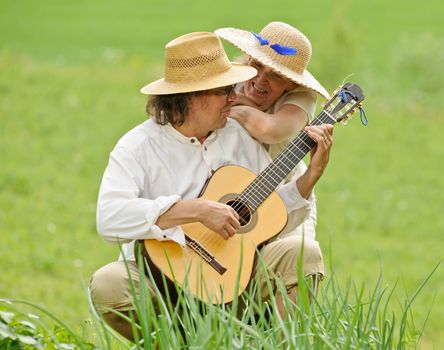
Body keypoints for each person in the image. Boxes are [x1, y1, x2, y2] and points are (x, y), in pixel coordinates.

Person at [89, 32, 334, 342]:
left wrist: (310, 176)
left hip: (235, 279)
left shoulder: (240, 134)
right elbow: (109, 218)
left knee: (303, 253)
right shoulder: (138, 146)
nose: (235, 95)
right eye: (224, 90)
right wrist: (194, 210)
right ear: (192, 96)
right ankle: (175, 344)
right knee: (107, 284)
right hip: (161, 280)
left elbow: (268, 212)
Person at [215, 21, 330, 241]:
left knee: (297, 256)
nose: (261, 79)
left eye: (276, 75)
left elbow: (269, 130)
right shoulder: (231, 76)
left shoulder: (302, 97)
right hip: (229, 193)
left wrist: (233, 107)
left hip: (284, 194)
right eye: (257, 65)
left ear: (291, 84)